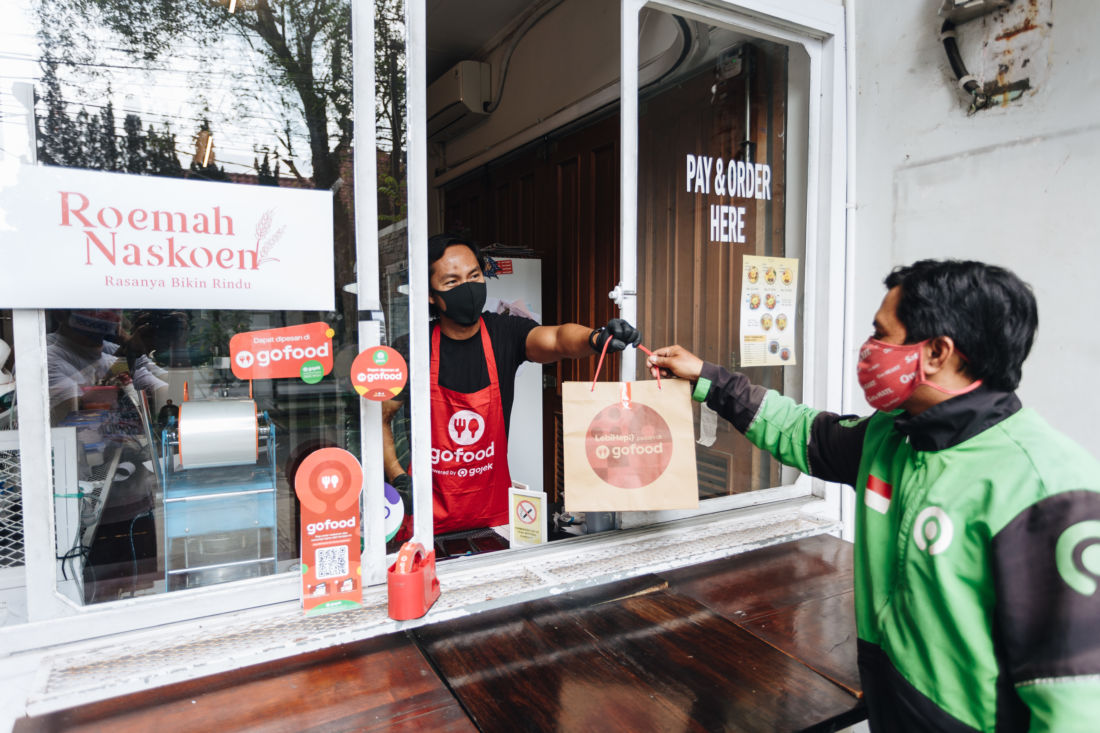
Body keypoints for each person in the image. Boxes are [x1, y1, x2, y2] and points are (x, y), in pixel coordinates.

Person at [647, 259, 1100, 732]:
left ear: (937, 353)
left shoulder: (1047, 492)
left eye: (882, 334)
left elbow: (1076, 704)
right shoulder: (893, 436)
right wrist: (708, 379)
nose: (869, 349)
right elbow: (804, 433)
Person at [382, 233, 640, 536]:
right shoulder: (412, 348)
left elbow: (557, 339)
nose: (467, 287)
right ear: (430, 294)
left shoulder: (504, 332)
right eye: (452, 282)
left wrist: (596, 338)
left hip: (493, 514)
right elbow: (381, 418)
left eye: (474, 275)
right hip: (428, 513)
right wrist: (399, 477)